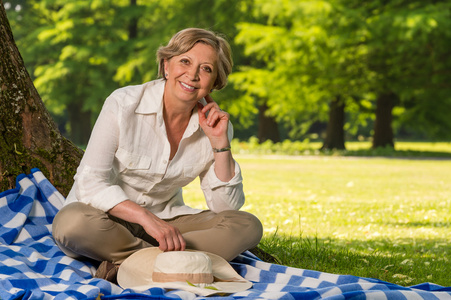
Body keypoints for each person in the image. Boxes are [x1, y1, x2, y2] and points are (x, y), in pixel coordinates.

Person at [51, 28, 263, 280]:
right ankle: (172, 264)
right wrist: (146, 219)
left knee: (247, 225)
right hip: (106, 220)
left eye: (206, 68)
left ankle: (130, 263)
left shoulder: (216, 125)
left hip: (168, 221)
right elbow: (90, 182)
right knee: (70, 223)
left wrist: (219, 143)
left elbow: (226, 207)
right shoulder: (123, 103)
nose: (193, 75)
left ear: (214, 81)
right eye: (185, 61)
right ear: (166, 66)